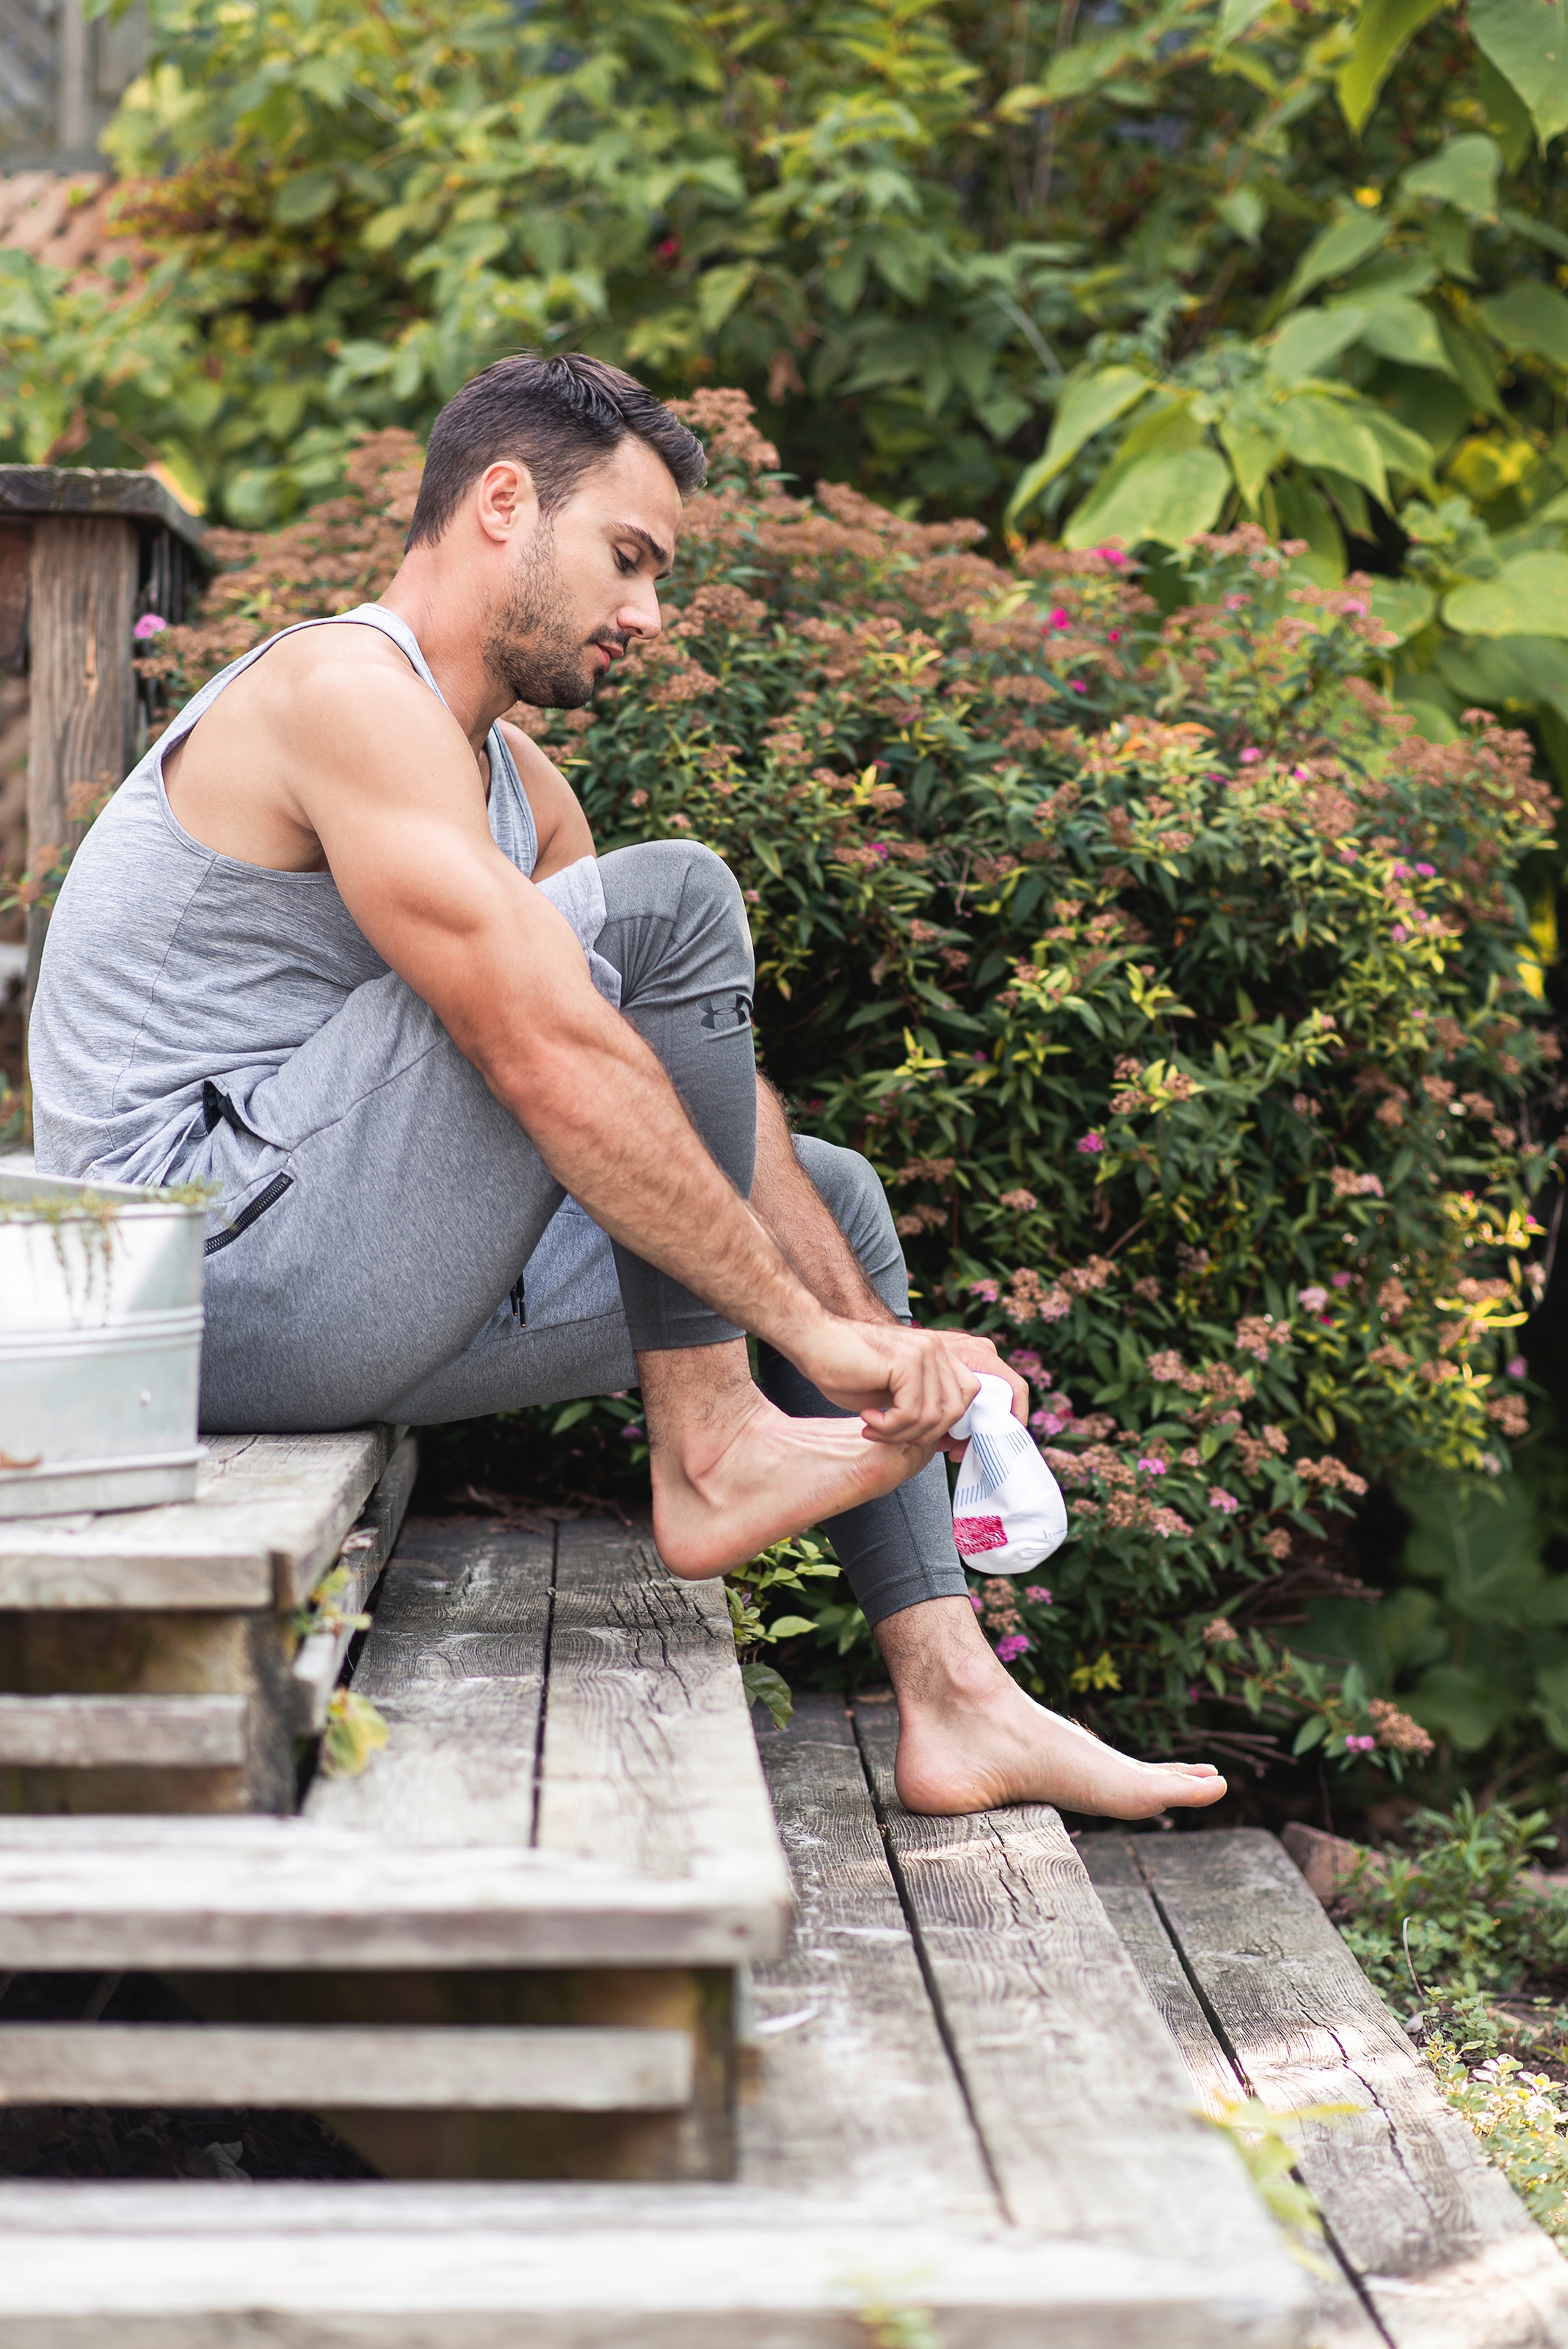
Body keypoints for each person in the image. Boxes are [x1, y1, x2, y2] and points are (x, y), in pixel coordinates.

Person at [29, 352, 1225, 1822]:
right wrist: (790, 1334)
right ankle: (711, 1441)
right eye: (629, 560)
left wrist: (868, 1337)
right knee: (672, 903)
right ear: (503, 502)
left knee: (824, 1200)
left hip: (337, 1273)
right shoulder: (335, 690)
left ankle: (958, 1698)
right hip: (184, 1290)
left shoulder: (521, 787)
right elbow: (546, 1050)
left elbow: (656, 1079)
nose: (649, 614)